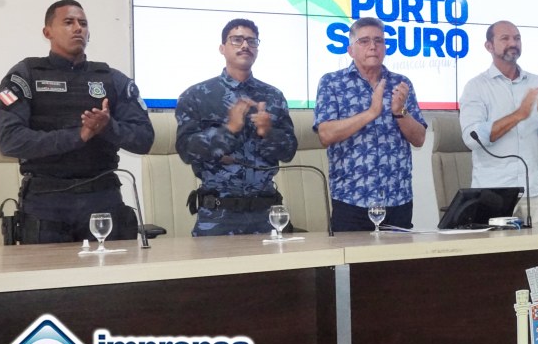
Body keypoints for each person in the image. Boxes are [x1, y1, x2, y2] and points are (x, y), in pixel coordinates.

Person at [0, 0, 154, 244]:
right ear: (47, 32)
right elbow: (10, 141)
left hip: (102, 200)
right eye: (68, 22)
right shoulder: (25, 75)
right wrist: (78, 135)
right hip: (45, 204)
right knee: (46, 271)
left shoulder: (112, 80)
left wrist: (108, 128)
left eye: (83, 23)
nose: (78, 28)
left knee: (111, 270)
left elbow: (144, 140)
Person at [175, 19, 297, 236]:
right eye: (237, 40)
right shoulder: (196, 96)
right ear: (222, 48)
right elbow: (187, 151)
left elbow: (288, 152)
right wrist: (229, 130)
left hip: (266, 214)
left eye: (252, 41)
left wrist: (268, 132)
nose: (245, 45)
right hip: (218, 216)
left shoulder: (273, 96)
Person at [313, 17, 426, 232]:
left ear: (385, 48)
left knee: (399, 255)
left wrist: (400, 112)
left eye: (378, 41)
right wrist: (371, 113)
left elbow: (419, 139)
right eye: (364, 41)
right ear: (350, 50)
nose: (373, 46)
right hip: (351, 199)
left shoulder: (401, 83)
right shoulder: (332, 83)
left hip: (397, 198)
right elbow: (325, 135)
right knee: (351, 255)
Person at [459, 20, 538, 225]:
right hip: (493, 192)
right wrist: (518, 115)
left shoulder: (537, 82)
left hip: (535, 190)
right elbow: (472, 138)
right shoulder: (476, 87)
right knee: (495, 247)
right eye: (505, 38)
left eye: (517, 38)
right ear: (489, 46)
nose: (513, 43)